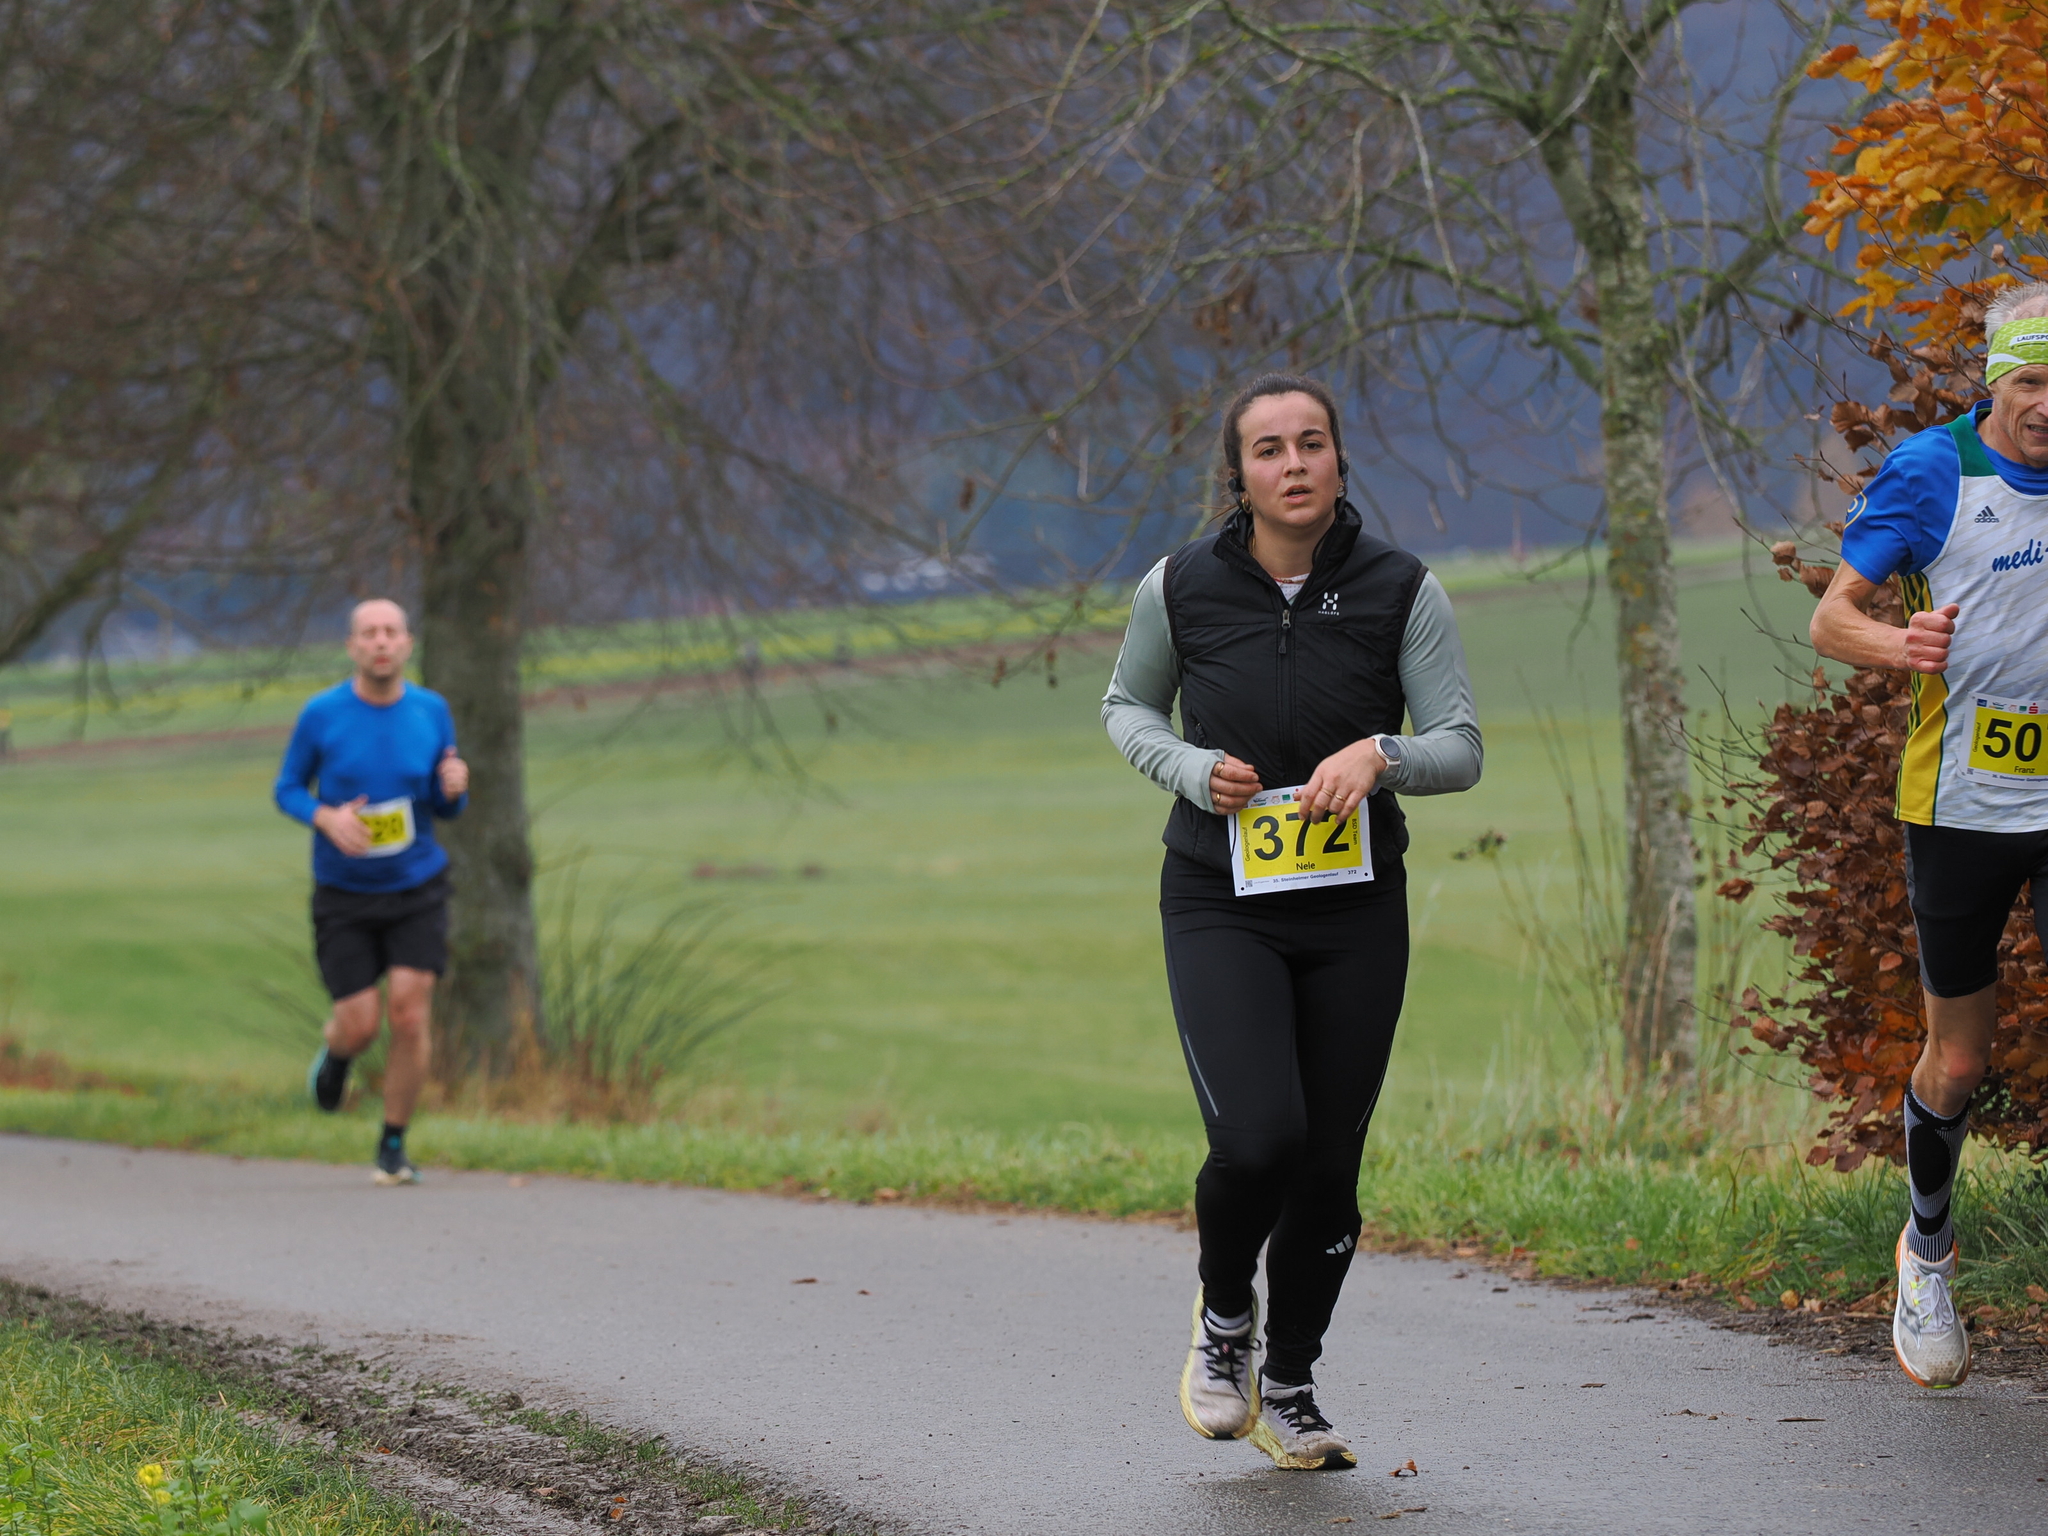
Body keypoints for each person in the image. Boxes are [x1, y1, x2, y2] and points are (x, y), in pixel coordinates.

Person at [1102, 373, 1483, 1469]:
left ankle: (1292, 1384)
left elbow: (1459, 746)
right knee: (1256, 1137)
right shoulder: (1179, 586)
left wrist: (1383, 755)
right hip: (1219, 901)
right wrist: (1187, 769)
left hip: (1354, 910)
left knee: (1326, 1167)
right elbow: (1127, 707)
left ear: (1338, 460)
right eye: (1268, 449)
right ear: (1239, 476)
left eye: (1311, 442)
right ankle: (1226, 1316)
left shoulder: (1401, 588)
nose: (1293, 463)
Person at [1808, 282, 2048, 1390]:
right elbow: (1831, 619)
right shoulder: (1931, 472)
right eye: (2031, 381)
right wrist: (1897, 647)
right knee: (1957, 1057)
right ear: (1994, 384)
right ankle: (1929, 1254)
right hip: (1959, 805)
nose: (2047, 405)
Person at [274, 598, 468, 1186]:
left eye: (390, 632)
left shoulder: (432, 710)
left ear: (407, 643)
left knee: (410, 1013)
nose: (380, 642)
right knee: (360, 1025)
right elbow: (287, 789)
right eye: (368, 633)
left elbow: (444, 805)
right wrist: (326, 817)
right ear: (352, 647)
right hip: (345, 893)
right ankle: (337, 1056)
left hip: (416, 885)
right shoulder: (322, 714)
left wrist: (454, 789)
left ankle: (393, 1144)